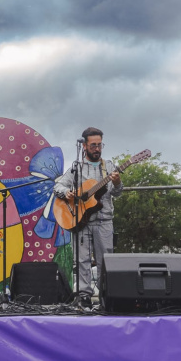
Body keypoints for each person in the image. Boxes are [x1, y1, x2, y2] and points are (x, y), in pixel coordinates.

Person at [54, 127, 123, 308]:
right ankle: (84, 296)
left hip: (104, 220)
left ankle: (105, 296)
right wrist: (67, 193)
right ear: (84, 146)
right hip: (81, 220)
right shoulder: (76, 167)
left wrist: (117, 183)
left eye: (100, 145)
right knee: (81, 260)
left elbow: (118, 193)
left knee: (105, 260)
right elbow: (58, 187)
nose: (97, 149)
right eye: (93, 145)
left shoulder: (109, 166)